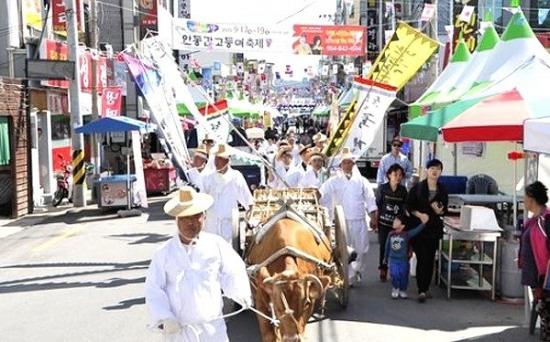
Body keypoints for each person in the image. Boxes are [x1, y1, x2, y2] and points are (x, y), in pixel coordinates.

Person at [144, 186, 252, 341]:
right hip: (179, 331)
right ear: (176, 220)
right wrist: (165, 316)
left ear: (205, 216)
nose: (190, 222)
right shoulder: (164, 252)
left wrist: (241, 293)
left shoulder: (216, 245)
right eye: (184, 218)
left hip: (212, 330)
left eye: (195, 217)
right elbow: (153, 288)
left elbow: (233, 270)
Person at [320, 147, 378, 285]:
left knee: (362, 250)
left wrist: (373, 217)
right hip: (342, 221)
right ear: (340, 165)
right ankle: (349, 277)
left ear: (353, 164)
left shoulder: (362, 181)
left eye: (349, 162)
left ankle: (357, 270)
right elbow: (323, 191)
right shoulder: (334, 180)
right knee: (346, 250)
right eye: (344, 163)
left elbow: (370, 199)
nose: (347, 165)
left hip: (359, 219)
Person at [405, 158, 448, 303]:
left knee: (429, 259)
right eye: (432, 168)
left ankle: (425, 287)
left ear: (441, 171)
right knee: (422, 257)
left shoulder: (443, 189)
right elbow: (409, 206)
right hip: (418, 229)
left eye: (438, 169)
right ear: (427, 171)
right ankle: (421, 289)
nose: (435, 171)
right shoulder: (417, 188)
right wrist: (419, 214)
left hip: (434, 229)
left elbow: (445, 209)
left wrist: (439, 211)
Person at [200, 144, 253, 244]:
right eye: (216, 158)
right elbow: (202, 198)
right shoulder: (208, 177)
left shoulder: (236, 176)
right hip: (211, 223)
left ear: (227, 160)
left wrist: (251, 213)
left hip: (229, 224)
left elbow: (246, 197)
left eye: (220, 159)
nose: (217, 162)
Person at [519, 181, 550, 339]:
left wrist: (546, 278)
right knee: (543, 313)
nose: (523, 199)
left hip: (544, 277)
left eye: (524, 196)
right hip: (535, 277)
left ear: (532, 198)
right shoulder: (533, 219)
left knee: (546, 315)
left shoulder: (546, 219)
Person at [375, 163, 408, 282]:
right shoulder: (383, 188)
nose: (398, 177)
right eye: (395, 174)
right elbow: (377, 205)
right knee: (384, 246)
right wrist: (375, 221)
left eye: (400, 175)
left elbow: (405, 208)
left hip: (397, 225)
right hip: (383, 223)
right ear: (389, 175)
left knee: (397, 247)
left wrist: (400, 219)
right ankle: (383, 268)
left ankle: (396, 270)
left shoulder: (403, 190)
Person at [385, 212, 429, 299]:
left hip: (404, 260)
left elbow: (416, 231)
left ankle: (402, 289)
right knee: (394, 274)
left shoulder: (406, 235)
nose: (394, 222)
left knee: (404, 275)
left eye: (397, 221)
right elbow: (387, 246)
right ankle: (395, 287)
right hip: (393, 259)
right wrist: (385, 257)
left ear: (402, 226)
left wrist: (423, 224)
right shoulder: (391, 234)